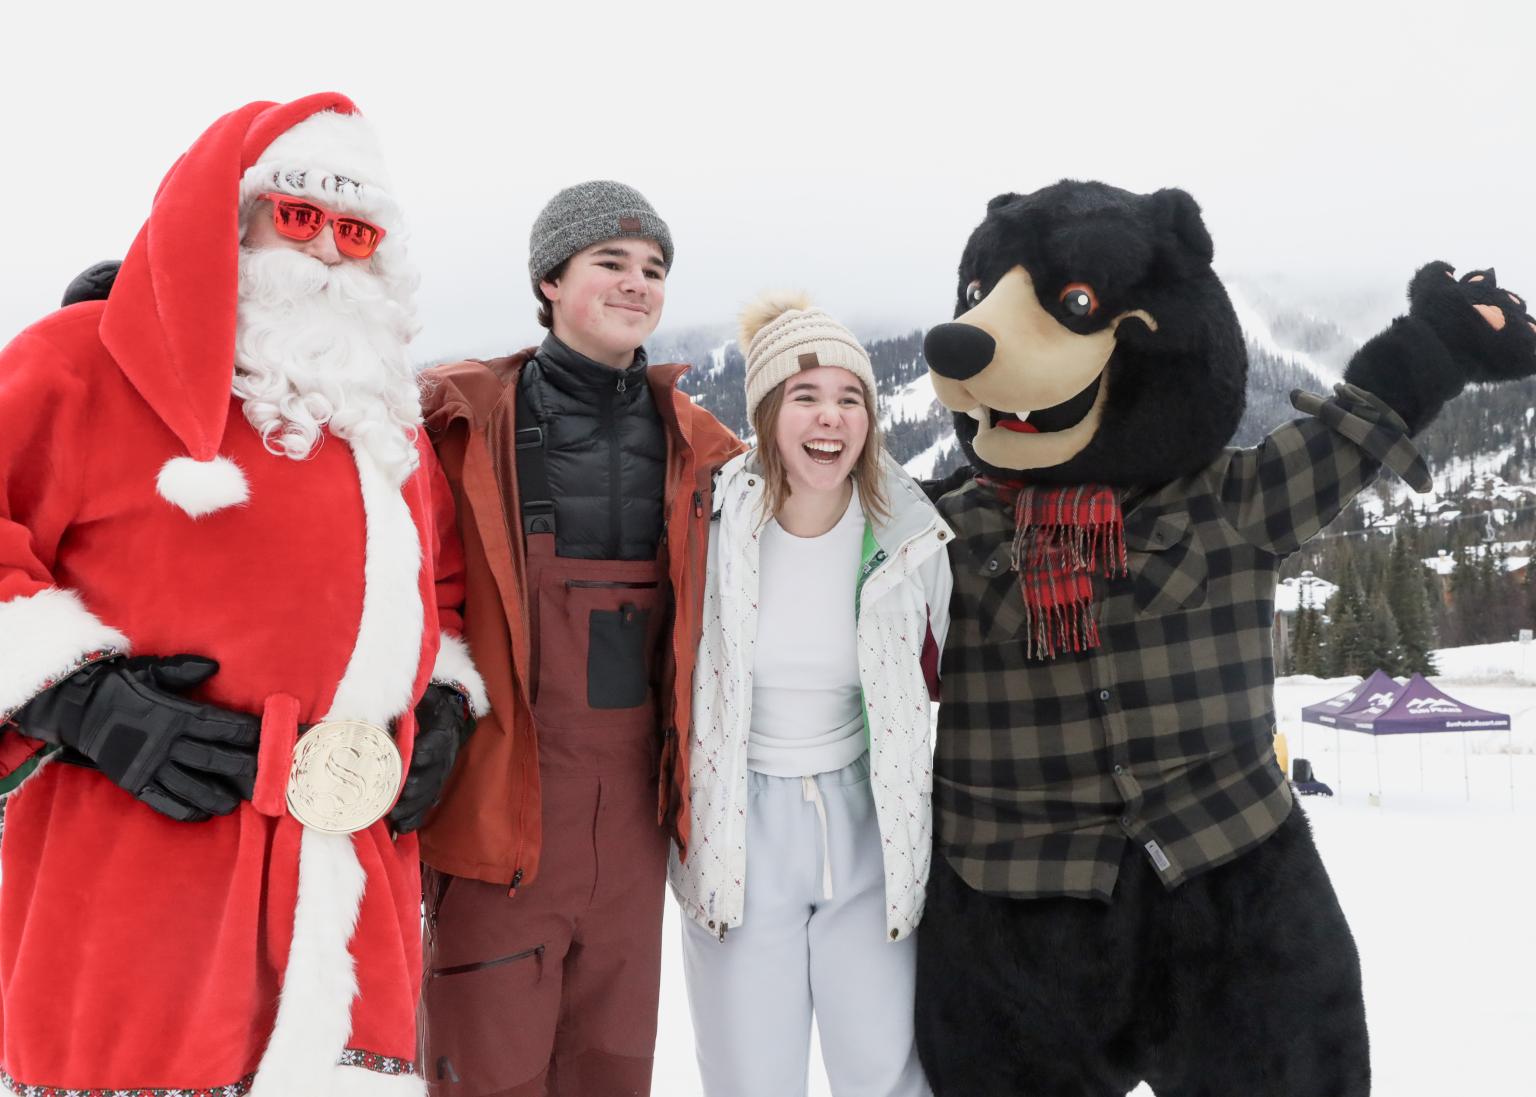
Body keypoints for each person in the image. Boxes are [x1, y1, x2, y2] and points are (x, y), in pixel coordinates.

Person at [0, 93, 485, 1096]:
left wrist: (439, 697)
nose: (324, 255)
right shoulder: (80, 361)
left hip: (346, 895)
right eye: (298, 217)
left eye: (354, 232)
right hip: (142, 880)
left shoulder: (382, 424)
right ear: (227, 217)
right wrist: (74, 698)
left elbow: (444, 587)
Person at [417, 181, 744, 1096]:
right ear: (550, 280)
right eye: (611, 262)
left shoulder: (699, 445)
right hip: (500, 798)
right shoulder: (462, 421)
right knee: (486, 1062)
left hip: (637, 814)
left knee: (611, 1062)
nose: (638, 282)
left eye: (654, 269)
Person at [670, 295, 954, 1097]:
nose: (830, 416)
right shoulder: (713, 519)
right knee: (749, 1075)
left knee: (885, 1068)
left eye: (850, 397)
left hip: (868, 820)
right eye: (806, 396)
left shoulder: (909, 532)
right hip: (738, 825)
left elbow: (951, 667)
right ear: (767, 411)